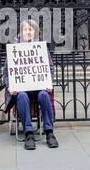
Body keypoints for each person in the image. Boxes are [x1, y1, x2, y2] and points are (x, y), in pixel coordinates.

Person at [3, 19, 59, 150]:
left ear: (35, 32)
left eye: (31, 29)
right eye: (25, 30)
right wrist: (10, 87)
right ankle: (28, 133)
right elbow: (6, 71)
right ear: (20, 33)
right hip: (21, 89)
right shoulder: (14, 49)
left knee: (44, 95)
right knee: (22, 96)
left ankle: (49, 132)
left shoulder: (41, 48)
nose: (28, 32)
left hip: (38, 86)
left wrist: (48, 82)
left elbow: (50, 68)